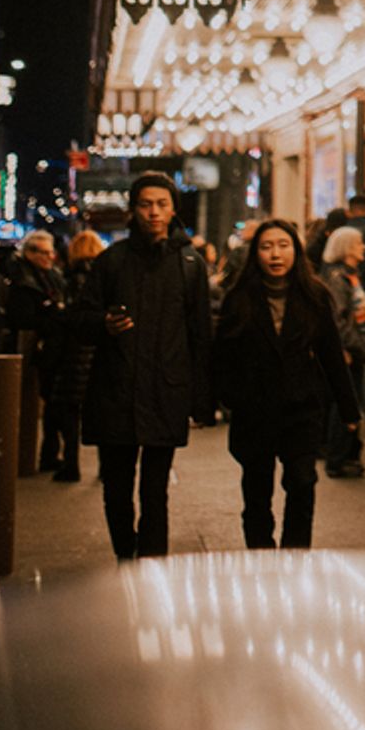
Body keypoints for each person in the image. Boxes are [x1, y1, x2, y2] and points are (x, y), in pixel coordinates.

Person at [74, 170, 213, 559]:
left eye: (162, 204)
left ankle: (152, 566)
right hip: (115, 390)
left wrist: (202, 400)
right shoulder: (111, 260)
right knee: (116, 489)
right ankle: (125, 556)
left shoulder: (190, 263)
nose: (154, 212)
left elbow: (200, 335)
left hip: (165, 391)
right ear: (133, 210)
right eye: (146, 204)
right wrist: (103, 323)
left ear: (173, 209)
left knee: (155, 491)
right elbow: (79, 319)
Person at [213, 219, 360, 548]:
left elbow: (332, 356)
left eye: (283, 246)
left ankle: (295, 558)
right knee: (257, 493)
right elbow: (223, 355)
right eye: (266, 247)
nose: (275, 254)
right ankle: (261, 556)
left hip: (300, 410)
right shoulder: (239, 298)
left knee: (302, 485)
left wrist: (349, 409)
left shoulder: (314, 296)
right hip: (254, 413)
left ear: (296, 251)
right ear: (255, 254)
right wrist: (229, 398)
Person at [6, 230, 68, 473]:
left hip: (49, 347)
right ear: (30, 253)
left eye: (50, 252)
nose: (48, 257)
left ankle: (47, 453)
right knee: (30, 402)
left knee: (52, 401)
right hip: (31, 350)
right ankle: (27, 456)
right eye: (43, 252)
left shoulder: (51, 276)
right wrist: (52, 317)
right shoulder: (22, 279)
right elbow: (22, 318)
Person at [47, 228, 104, 481]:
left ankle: (71, 464)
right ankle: (105, 468)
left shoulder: (70, 280)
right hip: (98, 351)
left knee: (70, 411)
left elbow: (68, 317)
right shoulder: (105, 277)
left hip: (73, 352)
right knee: (101, 412)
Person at [320, 225, 365, 476]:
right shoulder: (338, 279)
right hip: (349, 351)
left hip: (356, 349)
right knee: (344, 404)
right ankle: (337, 459)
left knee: (351, 403)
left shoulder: (350, 276)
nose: (364, 247)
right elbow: (338, 319)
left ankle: (347, 455)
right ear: (347, 248)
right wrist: (352, 346)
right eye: (359, 243)